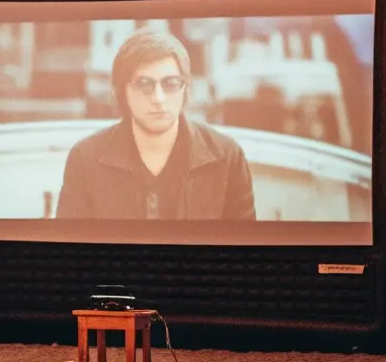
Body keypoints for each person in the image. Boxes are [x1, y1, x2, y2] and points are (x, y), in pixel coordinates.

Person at [55, 29, 256, 223]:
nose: (158, 98)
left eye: (170, 83)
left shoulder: (228, 158)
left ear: (185, 87)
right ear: (121, 91)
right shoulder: (85, 159)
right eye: (144, 83)